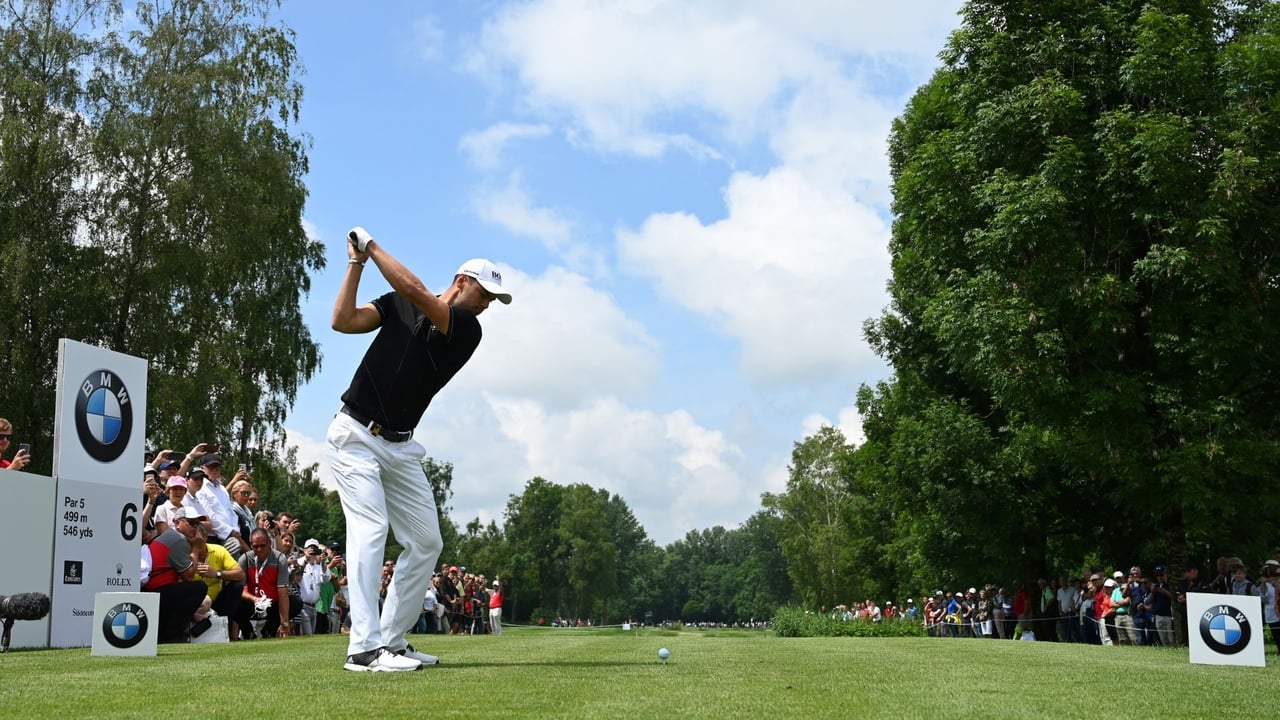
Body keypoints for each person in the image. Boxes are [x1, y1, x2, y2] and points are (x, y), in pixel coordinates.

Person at [325, 225, 511, 672]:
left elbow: (411, 287)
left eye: (493, 300)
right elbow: (343, 321)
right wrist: (355, 264)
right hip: (355, 436)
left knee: (427, 541)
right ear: (462, 281)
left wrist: (370, 247)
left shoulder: (466, 329)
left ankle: (391, 639)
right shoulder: (399, 305)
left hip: (400, 447)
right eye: (484, 293)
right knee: (370, 531)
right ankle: (363, 649)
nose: (487, 305)